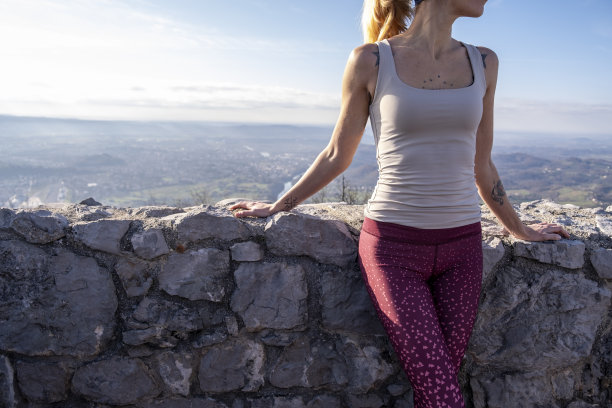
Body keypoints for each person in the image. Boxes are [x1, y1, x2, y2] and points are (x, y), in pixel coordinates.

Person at [230, 0, 570, 406]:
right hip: (393, 250)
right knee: (443, 396)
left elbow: (482, 163)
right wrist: (278, 206)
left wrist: (521, 229)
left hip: (464, 249)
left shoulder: (485, 62)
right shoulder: (372, 60)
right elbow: (338, 153)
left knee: (436, 391)